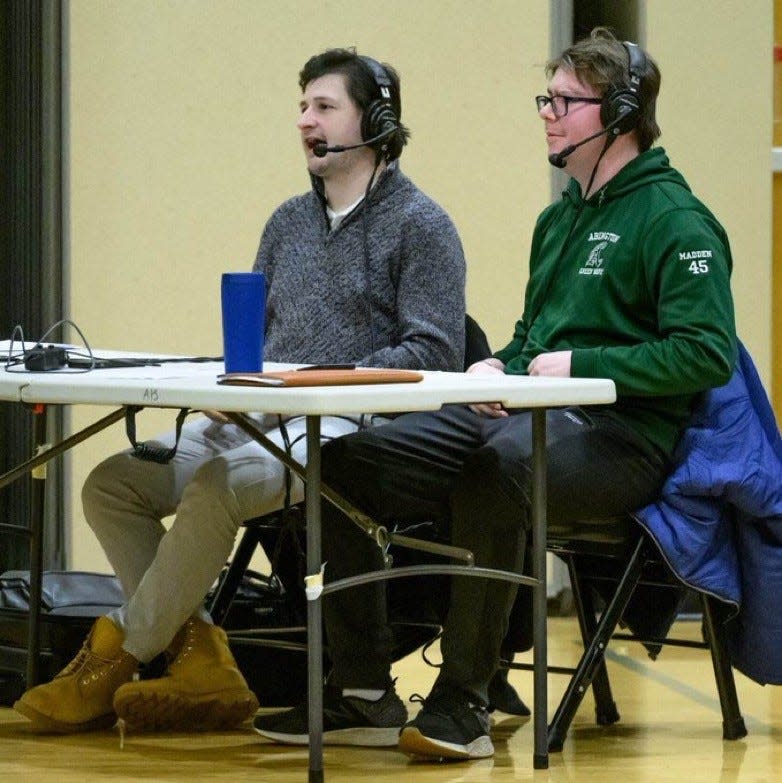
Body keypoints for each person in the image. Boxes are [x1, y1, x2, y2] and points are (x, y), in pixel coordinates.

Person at [253, 28, 737, 759]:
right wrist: (497, 365)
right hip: (533, 415)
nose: (547, 112)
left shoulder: (675, 219)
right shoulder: (560, 219)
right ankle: (361, 690)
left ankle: (464, 701)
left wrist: (577, 363)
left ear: (622, 111)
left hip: (625, 438)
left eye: (566, 101)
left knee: (499, 469)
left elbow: (705, 352)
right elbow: (533, 340)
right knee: (342, 464)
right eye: (548, 97)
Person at [14, 48, 466, 734]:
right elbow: (255, 341)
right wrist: (233, 381)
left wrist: (314, 382)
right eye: (302, 107)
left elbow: (436, 353)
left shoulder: (422, 225)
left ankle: (115, 658)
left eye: (323, 107)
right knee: (110, 484)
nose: (304, 121)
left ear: (375, 121)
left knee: (217, 483)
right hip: (256, 415)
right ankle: (201, 658)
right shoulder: (287, 222)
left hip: (349, 429)